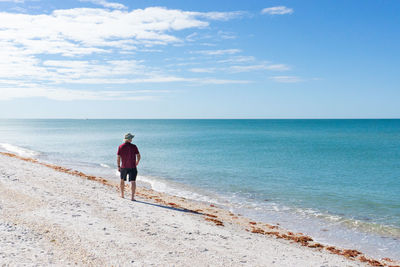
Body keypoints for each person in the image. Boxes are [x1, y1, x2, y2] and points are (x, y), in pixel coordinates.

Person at [117, 133, 141, 201]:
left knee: (122, 180)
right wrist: (137, 162)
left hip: (124, 166)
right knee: (133, 181)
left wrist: (118, 166)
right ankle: (132, 197)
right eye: (131, 138)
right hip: (132, 166)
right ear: (129, 139)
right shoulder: (134, 146)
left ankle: (122, 195)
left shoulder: (120, 146)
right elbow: (139, 156)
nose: (132, 139)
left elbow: (118, 157)